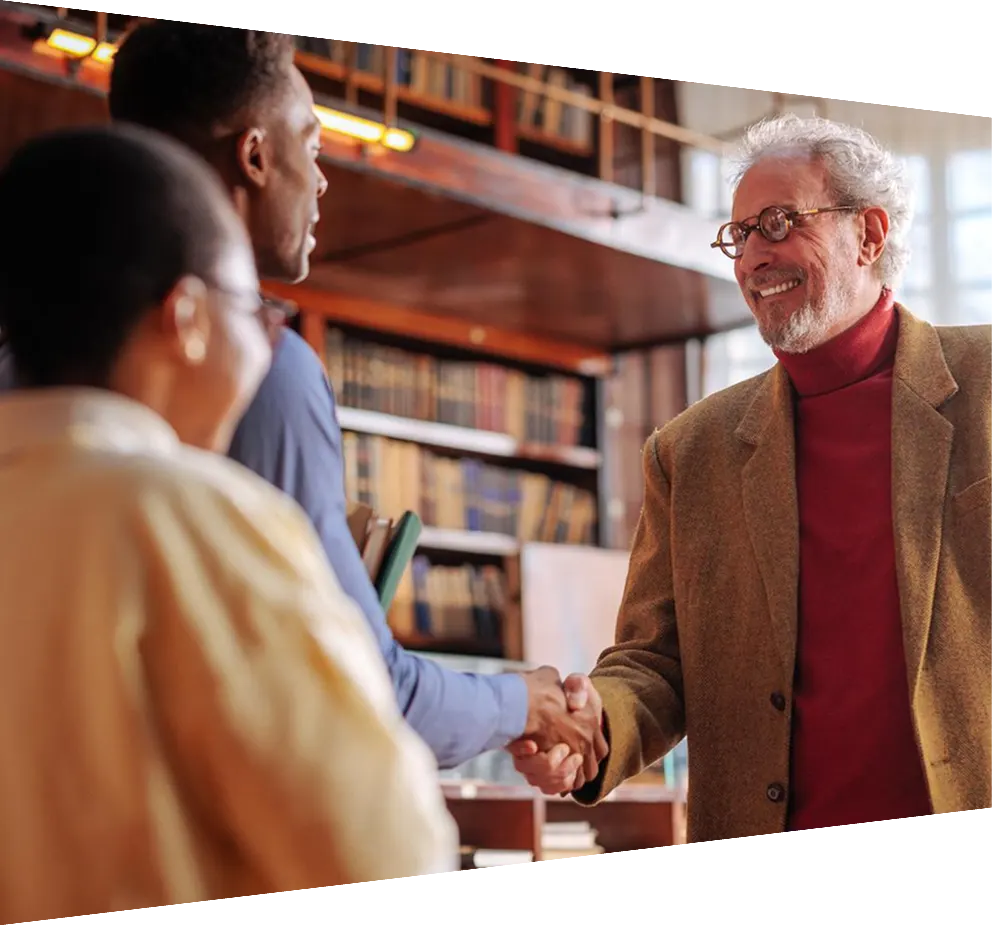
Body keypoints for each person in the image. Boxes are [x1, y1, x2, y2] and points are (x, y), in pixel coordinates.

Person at [99, 19, 600, 771]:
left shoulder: (35, 356)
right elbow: (362, 699)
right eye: (314, 141)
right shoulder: (261, 370)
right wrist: (523, 700)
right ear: (257, 155)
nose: (324, 176)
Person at [0, 124, 457, 921]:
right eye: (258, 310)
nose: (263, 343)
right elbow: (385, 859)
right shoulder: (198, 516)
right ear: (186, 318)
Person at [510, 113, 992, 846]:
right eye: (741, 236)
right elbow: (654, 660)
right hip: (767, 874)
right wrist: (592, 730)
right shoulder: (688, 450)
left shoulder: (985, 383)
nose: (753, 258)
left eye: (778, 222)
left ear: (869, 234)